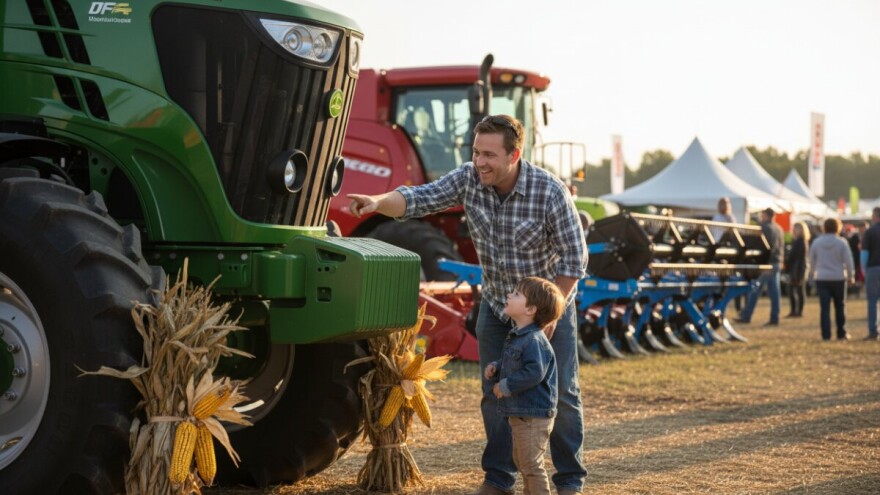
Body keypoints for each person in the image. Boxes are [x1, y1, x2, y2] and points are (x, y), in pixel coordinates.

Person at [347, 114, 588, 495]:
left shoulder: (549, 191)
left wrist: (547, 314)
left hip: (548, 310)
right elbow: (418, 198)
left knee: (561, 394)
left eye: (489, 155)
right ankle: (499, 479)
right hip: (497, 306)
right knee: (494, 394)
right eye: (476, 152)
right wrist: (376, 201)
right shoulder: (468, 179)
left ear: (514, 155)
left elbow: (575, 258)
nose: (480, 162)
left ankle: (569, 480)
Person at [484, 277, 565, 495]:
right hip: (522, 414)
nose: (509, 295)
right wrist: (497, 367)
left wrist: (506, 385)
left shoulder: (534, 340)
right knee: (522, 461)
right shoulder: (518, 336)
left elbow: (534, 372)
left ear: (530, 309)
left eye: (517, 294)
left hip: (533, 417)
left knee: (531, 465)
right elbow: (515, 362)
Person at [809, 218, 855, 341]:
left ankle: (826, 334)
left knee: (824, 308)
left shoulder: (817, 242)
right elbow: (849, 261)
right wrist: (851, 276)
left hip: (822, 277)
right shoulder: (842, 242)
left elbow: (811, 261)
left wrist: (811, 275)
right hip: (838, 277)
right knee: (840, 306)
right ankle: (841, 333)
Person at [737, 208, 784, 325]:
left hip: (767, 263)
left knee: (755, 289)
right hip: (777, 262)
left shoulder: (765, 228)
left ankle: (746, 316)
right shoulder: (779, 228)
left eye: (762, 215)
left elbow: (765, 247)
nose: (761, 218)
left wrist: (764, 263)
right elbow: (781, 246)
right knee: (775, 292)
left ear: (766, 215)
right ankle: (774, 318)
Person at [862, 207, 880, 341]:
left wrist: (864, 271)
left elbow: (864, 254)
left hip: (873, 268)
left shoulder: (869, 232)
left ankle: (873, 331)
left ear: (874, 216)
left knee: (872, 301)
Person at [786, 221, 810, 317]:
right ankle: (795, 310)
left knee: (798, 290)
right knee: (794, 290)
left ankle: (798, 311)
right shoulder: (797, 241)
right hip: (796, 268)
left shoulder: (801, 242)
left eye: (797, 228)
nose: (794, 230)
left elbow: (797, 257)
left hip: (799, 269)